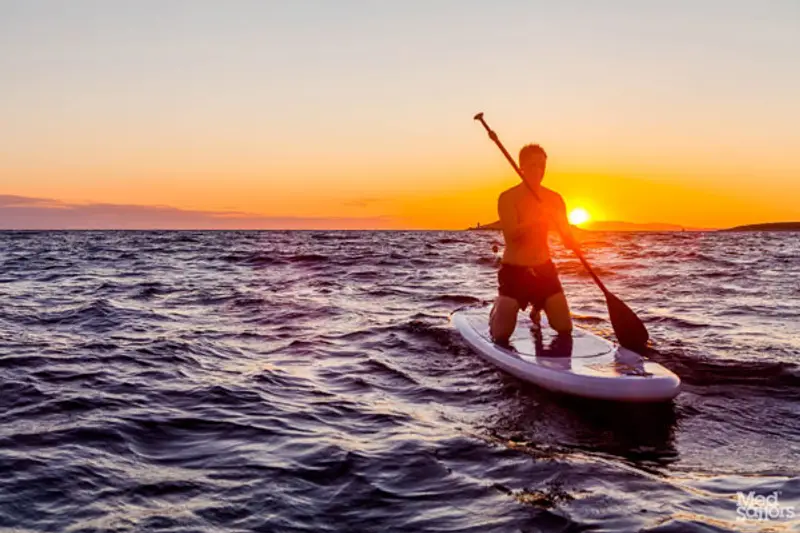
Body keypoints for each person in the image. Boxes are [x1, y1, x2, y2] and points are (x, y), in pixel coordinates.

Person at [489, 144, 579, 344]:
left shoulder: (555, 199)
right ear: (521, 167)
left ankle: (538, 306)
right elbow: (512, 235)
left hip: (544, 270)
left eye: (542, 166)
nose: (538, 171)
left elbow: (566, 236)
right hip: (515, 272)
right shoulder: (507, 198)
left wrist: (571, 241)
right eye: (532, 166)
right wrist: (538, 219)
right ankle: (497, 309)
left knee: (564, 328)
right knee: (501, 335)